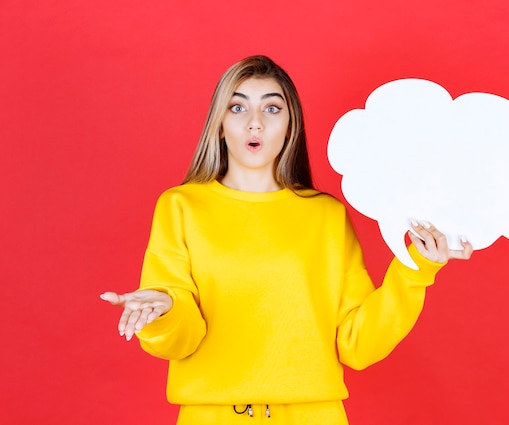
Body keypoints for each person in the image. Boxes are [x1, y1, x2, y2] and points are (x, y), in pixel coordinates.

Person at [101, 55, 472, 425]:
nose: (255, 123)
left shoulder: (326, 215)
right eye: (237, 107)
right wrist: (165, 308)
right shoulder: (180, 207)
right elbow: (183, 338)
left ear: (290, 124)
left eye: (272, 108)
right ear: (219, 124)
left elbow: (357, 343)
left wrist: (415, 270)